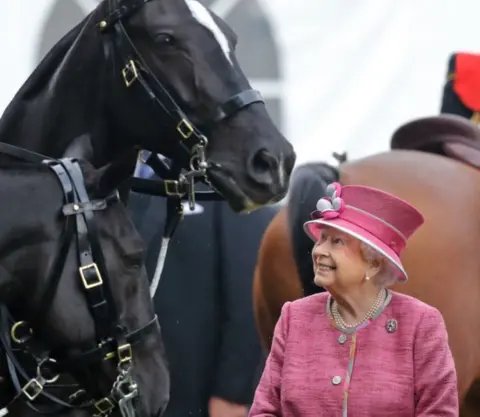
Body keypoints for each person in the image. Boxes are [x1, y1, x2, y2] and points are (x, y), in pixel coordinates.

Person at [249, 182, 459, 416]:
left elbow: (439, 412)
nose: (318, 251)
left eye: (336, 242)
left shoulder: (421, 323)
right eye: (322, 239)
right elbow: (264, 410)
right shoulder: (294, 317)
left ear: (373, 263)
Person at [128, 154, 276, 417]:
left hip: (197, 393)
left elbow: (247, 290)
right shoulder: (100, 173)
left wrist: (233, 392)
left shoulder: (221, 174)